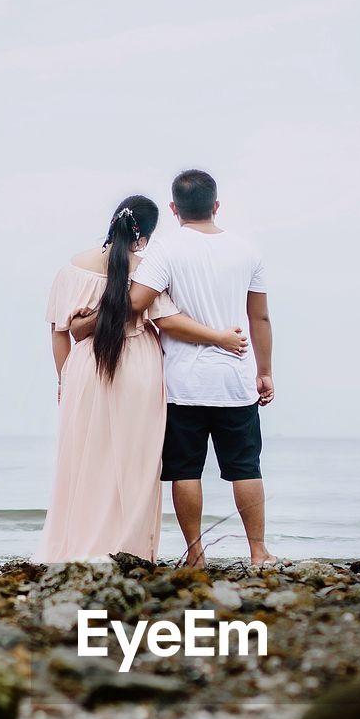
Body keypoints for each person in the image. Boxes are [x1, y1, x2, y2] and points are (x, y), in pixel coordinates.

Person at [35, 195, 248, 563]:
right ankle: (128, 549)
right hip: (140, 370)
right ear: (146, 234)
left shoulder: (73, 267)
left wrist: (64, 379)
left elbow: (60, 331)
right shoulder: (147, 270)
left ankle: (76, 545)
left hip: (87, 369)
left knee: (84, 458)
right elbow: (167, 321)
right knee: (136, 463)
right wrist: (221, 338)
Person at [129, 169, 276, 567]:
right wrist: (265, 371)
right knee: (245, 468)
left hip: (182, 383)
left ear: (174, 208)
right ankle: (259, 552)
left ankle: (195, 555)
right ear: (216, 205)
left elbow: (138, 301)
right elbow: (259, 318)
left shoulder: (165, 249)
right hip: (235, 378)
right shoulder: (247, 251)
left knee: (185, 470)